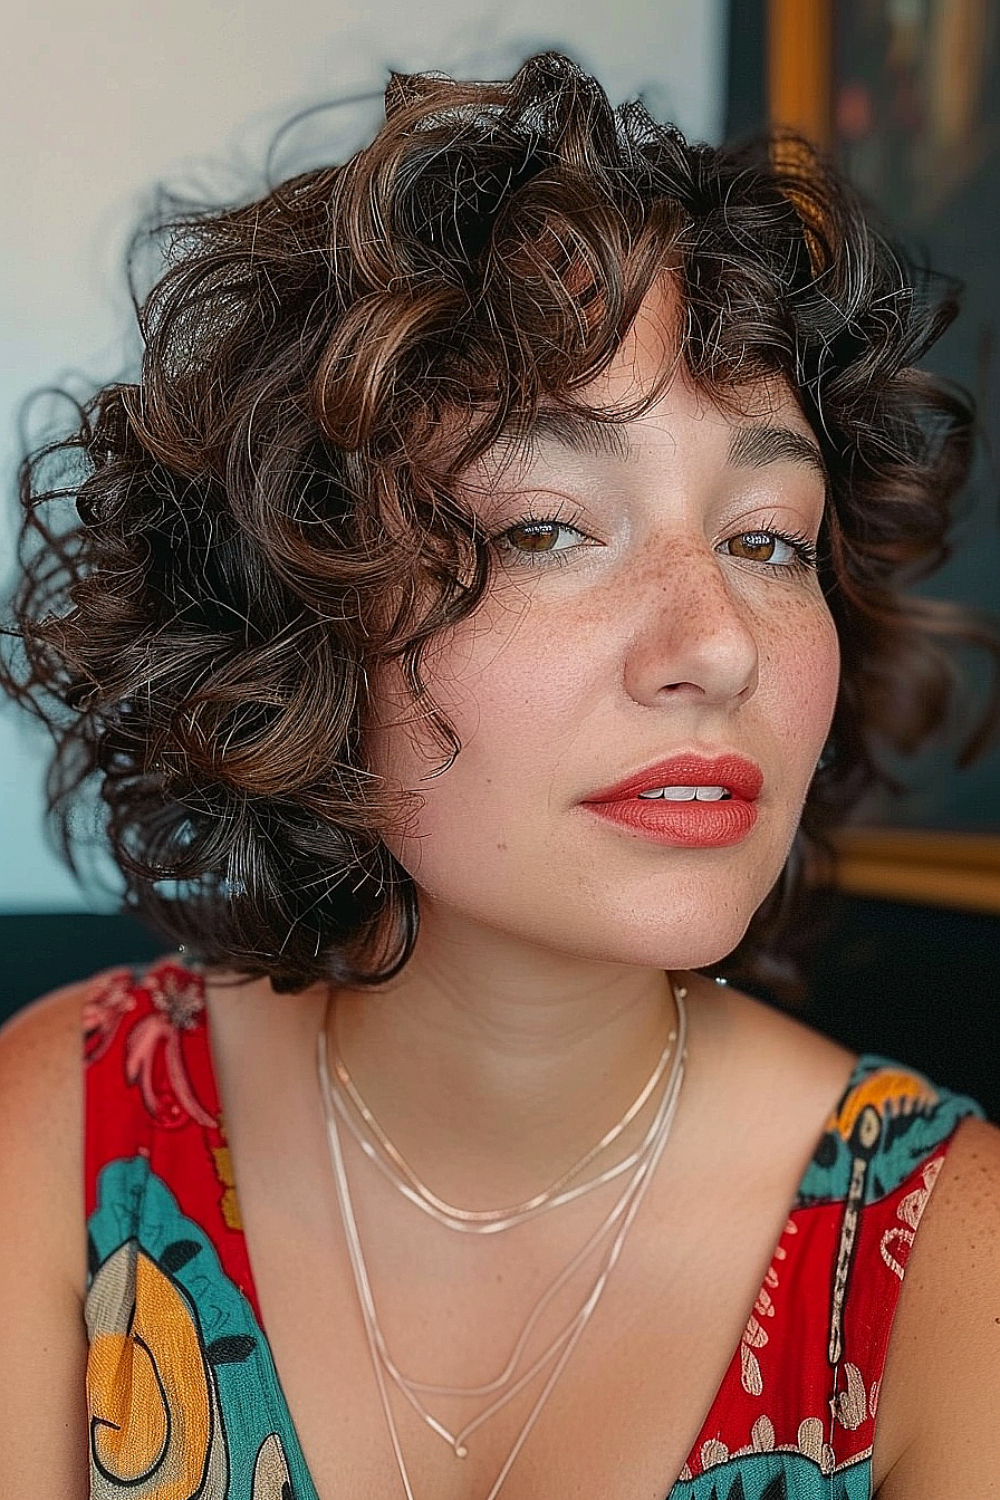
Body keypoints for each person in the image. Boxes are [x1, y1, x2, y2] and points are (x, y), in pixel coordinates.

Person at [0, 51, 997, 1500]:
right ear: (306, 611)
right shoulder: (69, 1127)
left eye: (769, 539)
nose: (715, 645)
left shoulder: (939, 1261)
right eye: (544, 528)